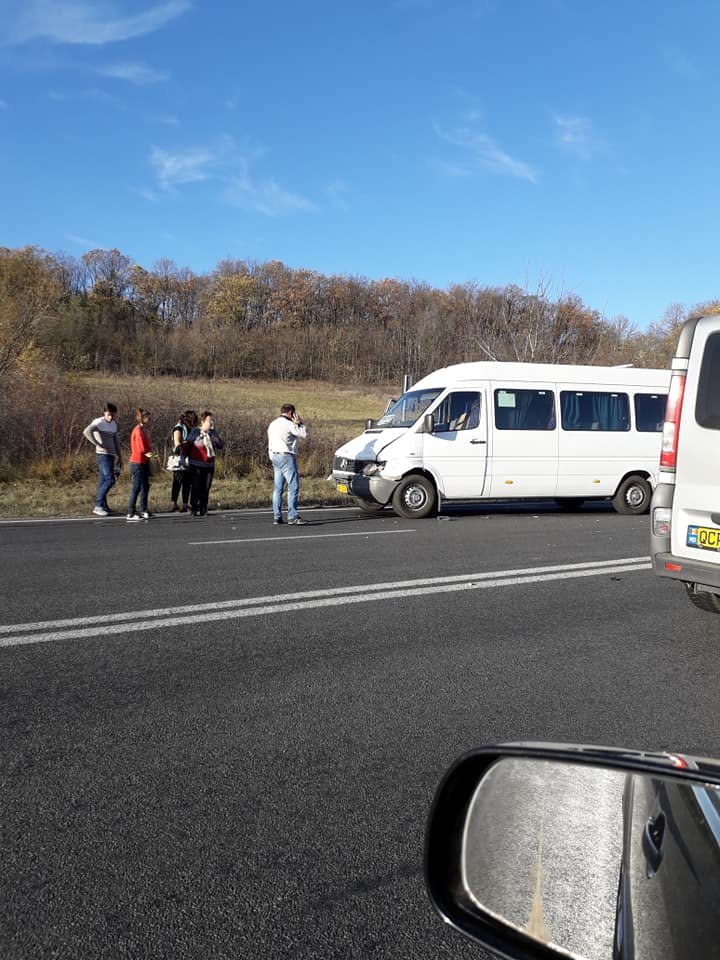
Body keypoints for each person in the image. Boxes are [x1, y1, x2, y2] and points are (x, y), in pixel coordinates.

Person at [267, 403, 308, 525]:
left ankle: (277, 516)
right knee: (293, 486)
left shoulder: (272, 424)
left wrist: (272, 457)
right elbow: (304, 434)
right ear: (291, 413)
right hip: (286, 456)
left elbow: (270, 442)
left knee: (278, 488)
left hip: (275, 455)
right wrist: (300, 423)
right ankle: (292, 516)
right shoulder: (289, 424)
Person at [83, 402, 123, 517]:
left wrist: (119, 456)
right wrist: (98, 444)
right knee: (110, 480)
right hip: (102, 455)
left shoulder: (114, 424)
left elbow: (115, 440)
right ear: (104, 413)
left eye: (113, 415)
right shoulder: (98, 422)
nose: (110, 417)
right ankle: (98, 506)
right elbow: (86, 432)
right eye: (108, 415)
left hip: (111, 455)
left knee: (103, 481)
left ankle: (104, 506)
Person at [183, 412, 224, 517]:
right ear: (203, 421)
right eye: (209, 420)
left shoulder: (213, 433)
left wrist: (214, 437)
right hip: (196, 464)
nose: (211, 423)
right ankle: (194, 508)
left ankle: (203, 508)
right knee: (196, 487)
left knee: (206, 487)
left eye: (212, 420)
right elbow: (187, 445)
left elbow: (220, 445)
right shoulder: (195, 432)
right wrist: (183, 459)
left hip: (209, 465)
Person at [127, 408, 154, 521]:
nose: (149, 419)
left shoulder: (143, 430)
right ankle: (131, 512)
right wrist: (150, 455)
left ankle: (144, 509)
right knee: (136, 487)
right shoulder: (138, 431)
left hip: (143, 462)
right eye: (147, 417)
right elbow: (141, 448)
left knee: (145, 487)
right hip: (137, 462)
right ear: (142, 418)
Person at [170, 410, 197, 513]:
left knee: (187, 482)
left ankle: (185, 504)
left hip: (189, 458)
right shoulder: (178, 428)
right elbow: (177, 444)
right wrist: (187, 443)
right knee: (177, 481)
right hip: (179, 458)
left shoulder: (191, 429)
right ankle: (174, 503)